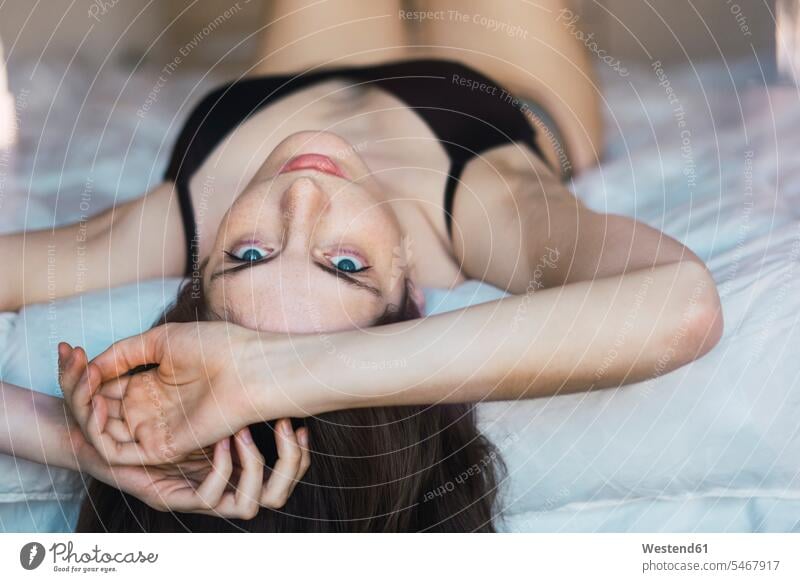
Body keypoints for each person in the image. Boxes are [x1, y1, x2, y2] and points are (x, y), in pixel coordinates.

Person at [0, 0, 723, 530]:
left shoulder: (171, 227)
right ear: (410, 288)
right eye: (345, 264)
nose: (302, 197)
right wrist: (281, 373)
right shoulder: (486, 219)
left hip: (293, 76)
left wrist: (62, 435)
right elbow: (684, 304)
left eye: (247, 254)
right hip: (496, 90)